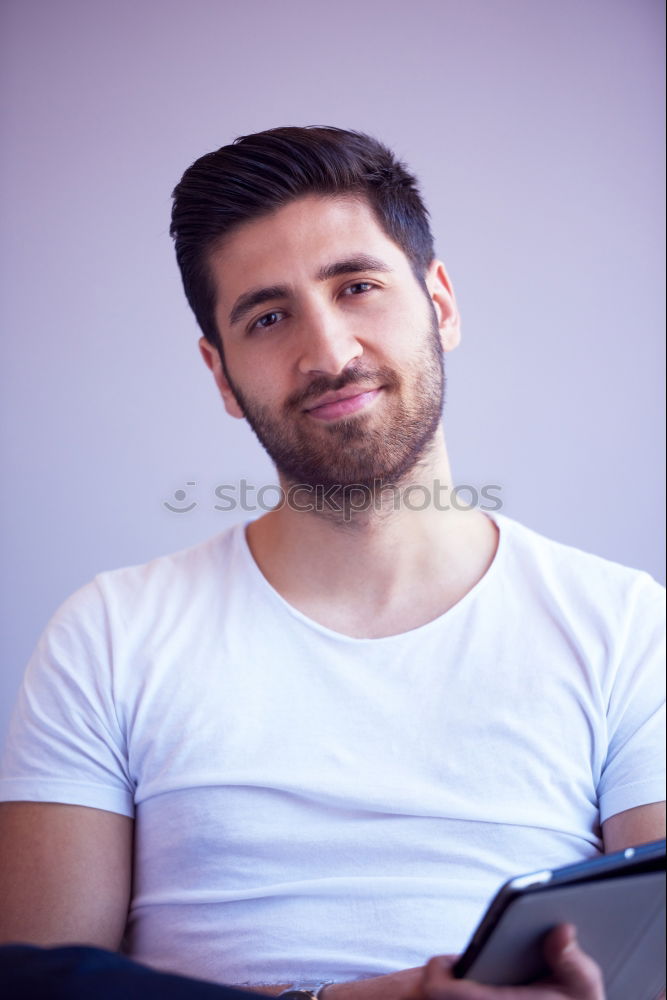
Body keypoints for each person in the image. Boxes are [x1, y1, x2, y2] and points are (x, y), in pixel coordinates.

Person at [0, 127, 664, 1000]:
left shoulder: (624, 625)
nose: (328, 353)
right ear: (222, 376)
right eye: (268, 317)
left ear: (442, 304)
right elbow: (32, 988)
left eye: (357, 287)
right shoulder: (110, 632)